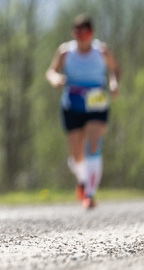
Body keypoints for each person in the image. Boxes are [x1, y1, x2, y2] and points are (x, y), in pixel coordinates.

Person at [45, 14, 120, 209]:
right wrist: (56, 79)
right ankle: (82, 179)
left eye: (85, 32)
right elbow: (51, 71)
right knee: (77, 154)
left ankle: (90, 194)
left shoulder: (102, 51)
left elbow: (115, 70)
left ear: (91, 33)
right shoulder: (65, 52)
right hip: (73, 104)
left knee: (94, 144)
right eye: (77, 32)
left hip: (97, 103)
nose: (81, 36)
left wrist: (114, 84)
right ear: (73, 33)